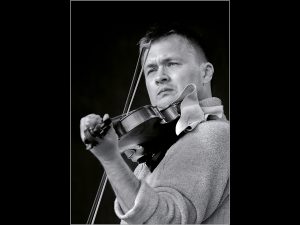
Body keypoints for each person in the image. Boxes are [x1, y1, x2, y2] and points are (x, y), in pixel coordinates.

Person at [80, 23, 229, 224]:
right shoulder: (159, 150)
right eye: (151, 69)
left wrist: (110, 159)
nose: (160, 77)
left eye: (172, 63)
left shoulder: (211, 134)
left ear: (206, 73)